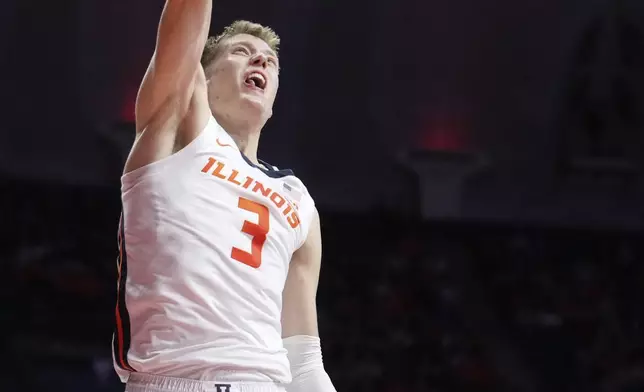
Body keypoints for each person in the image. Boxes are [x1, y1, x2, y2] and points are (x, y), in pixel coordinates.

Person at [111, 1, 336, 391]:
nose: (260, 62)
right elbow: (182, 26)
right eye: (242, 52)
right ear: (204, 79)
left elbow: (303, 360)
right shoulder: (178, 132)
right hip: (172, 379)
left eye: (270, 61)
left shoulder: (299, 201)